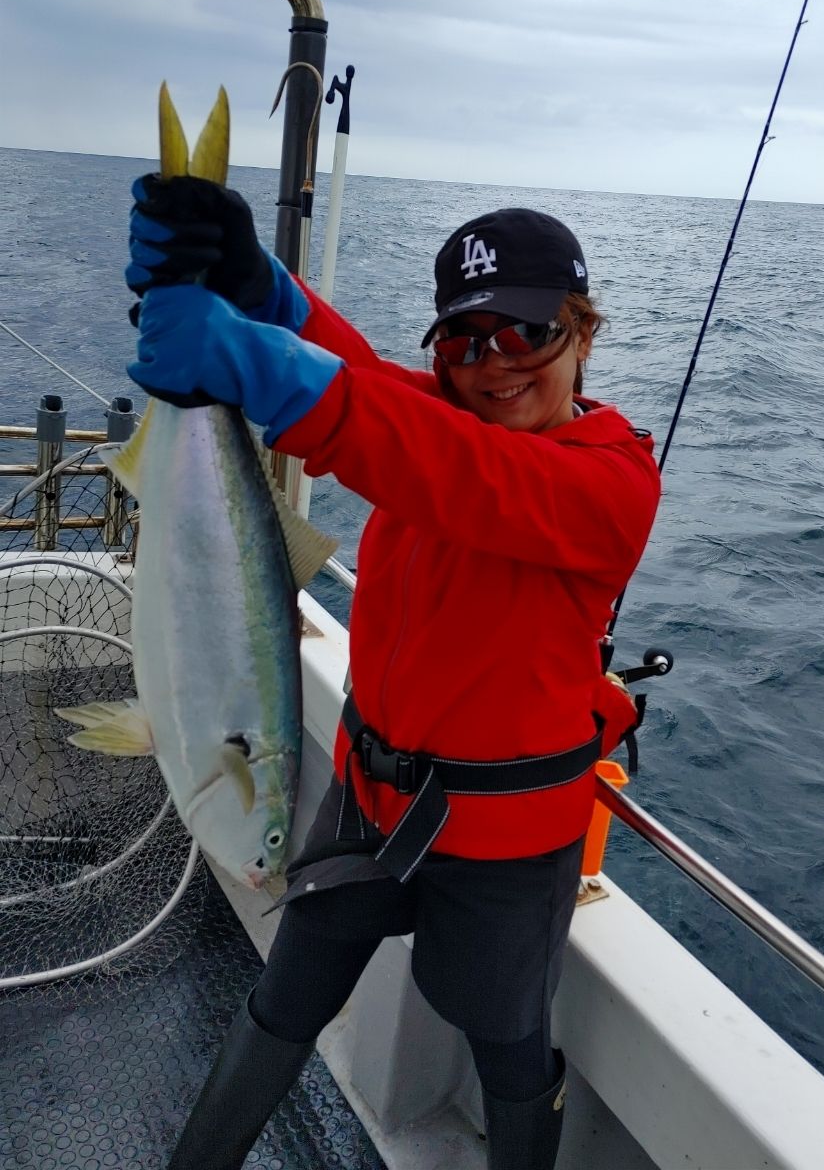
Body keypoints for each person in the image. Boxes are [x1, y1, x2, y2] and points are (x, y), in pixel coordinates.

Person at [125, 180, 661, 1170]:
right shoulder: (437, 416)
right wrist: (264, 290)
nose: (491, 363)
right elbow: (371, 385)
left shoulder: (611, 481)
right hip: (369, 801)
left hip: (505, 845)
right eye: (462, 340)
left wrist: (260, 363)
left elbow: (444, 462)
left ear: (582, 333)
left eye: (524, 334)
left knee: (505, 1038)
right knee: (284, 995)